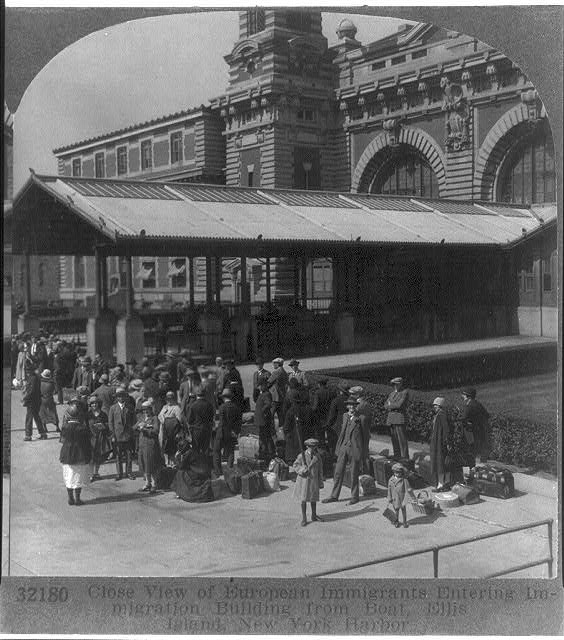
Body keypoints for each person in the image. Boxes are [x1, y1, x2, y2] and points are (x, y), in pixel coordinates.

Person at [322, 397, 364, 506]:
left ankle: (354, 497)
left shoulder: (360, 418)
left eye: (354, 405)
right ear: (347, 406)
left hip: (354, 449)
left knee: (354, 473)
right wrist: (339, 447)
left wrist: (362, 452)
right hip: (343, 447)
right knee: (338, 472)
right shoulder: (345, 416)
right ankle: (334, 495)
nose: (352, 407)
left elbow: (365, 436)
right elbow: (341, 431)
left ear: (356, 406)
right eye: (349, 405)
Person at [60, 396, 92, 506]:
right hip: (80, 454)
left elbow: (62, 439)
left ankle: (70, 498)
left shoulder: (65, 427)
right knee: (78, 476)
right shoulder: (82, 429)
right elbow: (87, 442)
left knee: (68, 476)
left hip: (67, 454)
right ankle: (77, 499)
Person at [293, 438, 325, 527]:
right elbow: (295, 465)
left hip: (313, 481)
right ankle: (304, 518)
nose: (312, 448)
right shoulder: (301, 455)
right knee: (303, 500)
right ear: (307, 446)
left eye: (314, 446)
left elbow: (320, 470)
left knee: (313, 498)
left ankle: (314, 515)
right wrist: (302, 469)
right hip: (304, 481)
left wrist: (320, 481)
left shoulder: (317, 456)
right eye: (310, 446)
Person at [108, 388, 137, 481]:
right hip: (117, 436)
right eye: (119, 396)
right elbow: (110, 422)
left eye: (123, 396)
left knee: (129, 455)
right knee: (118, 456)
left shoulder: (130, 407)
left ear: (125, 396)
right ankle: (119, 473)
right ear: (116, 398)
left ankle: (129, 472)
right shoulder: (113, 408)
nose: (121, 398)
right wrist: (112, 435)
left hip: (127, 435)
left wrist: (132, 430)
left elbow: (134, 420)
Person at [212, 388, 242, 477]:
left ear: (224, 397)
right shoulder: (236, 407)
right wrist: (236, 432)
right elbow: (239, 422)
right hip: (232, 433)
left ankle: (218, 471)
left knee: (216, 451)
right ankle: (229, 470)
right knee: (230, 451)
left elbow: (221, 422)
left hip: (222, 432)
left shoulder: (222, 408)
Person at [283, 386, 315, 465]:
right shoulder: (308, 409)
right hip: (306, 437)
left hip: (294, 441)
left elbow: (286, 427)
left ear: (291, 400)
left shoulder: (291, 411)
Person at [135, 400, 162, 493]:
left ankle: (154, 484)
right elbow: (134, 427)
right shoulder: (142, 418)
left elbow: (156, 431)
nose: (145, 412)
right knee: (143, 463)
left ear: (150, 409)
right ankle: (147, 483)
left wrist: (145, 429)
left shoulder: (154, 418)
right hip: (142, 444)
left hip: (151, 444)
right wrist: (138, 427)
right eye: (143, 410)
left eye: (147, 410)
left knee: (151, 463)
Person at [460, 387, 490, 464]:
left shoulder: (469, 406)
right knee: (480, 451)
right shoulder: (477, 404)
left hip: (473, 432)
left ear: (468, 396)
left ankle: (472, 468)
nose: (462, 396)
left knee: (472, 451)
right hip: (482, 430)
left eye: (464, 395)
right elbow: (487, 415)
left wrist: (470, 423)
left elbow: (463, 418)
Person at [87, 395, 111, 481]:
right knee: (91, 457)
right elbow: (85, 426)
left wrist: (103, 426)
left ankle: (96, 473)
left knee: (98, 456)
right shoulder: (88, 414)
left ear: (99, 404)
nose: (94, 405)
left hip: (100, 437)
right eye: (92, 403)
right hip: (91, 437)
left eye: (95, 403)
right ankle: (90, 474)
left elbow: (108, 424)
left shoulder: (103, 414)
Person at [385, 377, 410, 460]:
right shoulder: (391, 394)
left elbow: (400, 405)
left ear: (400, 384)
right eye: (394, 384)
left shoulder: (404, 392)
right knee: (394, 439)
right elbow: (385, 405)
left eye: (396, 384)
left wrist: (390, 405)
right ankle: (397, 455)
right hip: (391, 419)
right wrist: (392, 405)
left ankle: (404, 457)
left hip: (399, 419)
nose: (395, 386)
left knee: (402, 440)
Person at [321, 383, 349, 457]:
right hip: (349, 422)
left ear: (340, 391)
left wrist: (327, 425)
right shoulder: (350, 399)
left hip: (338, 423)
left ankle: (335, 456)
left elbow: (332, 416)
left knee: (336, 442)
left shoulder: (336, 400)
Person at [430, 396, 451, 491]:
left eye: (436, 406)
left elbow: (446, 429)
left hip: (439, 442)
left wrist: (446, 442)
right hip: (438, 441)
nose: (434, 407)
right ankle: (444, 483)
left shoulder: (441, 414)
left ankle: (441, 485)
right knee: (442, 463)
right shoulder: (440, 414)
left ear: (440, 406)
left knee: (440, 463)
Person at [349, 386, 372, 474]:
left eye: (352, 394)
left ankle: (365, 472)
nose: (351, 395)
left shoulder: (361, 404)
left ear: (358, 394)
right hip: (361, 432)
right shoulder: (362, 403)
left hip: (362, 432)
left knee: (363, 452)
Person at [22, 361, 47, 441]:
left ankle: (28, 435)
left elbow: (31, 391)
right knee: (36, 417)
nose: (27, 371)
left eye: (28, 370)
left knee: (29, 418)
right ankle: (43, 434)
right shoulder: (35, 377)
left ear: (31, 370)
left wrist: (25, 398)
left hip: (32, 401)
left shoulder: (33, 378)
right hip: (36, 400)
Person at [186, 388, 215, 455]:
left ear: (197, 395)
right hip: (206, 428)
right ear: (204, 395)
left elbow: (189, 420)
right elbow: (211, 418)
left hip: (196, 429)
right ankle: (205, 464)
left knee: (196, 449)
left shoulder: (193, 405)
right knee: (205, 449)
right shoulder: (209, 405)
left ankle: (197, 464)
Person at [158, 390, 184, 466]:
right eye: (168, 399)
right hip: (163, 429)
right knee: (163, 445)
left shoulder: (176, 408)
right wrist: (163, 419)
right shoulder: (164, 407)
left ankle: (174, 463)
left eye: (171, 399)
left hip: (172, 430)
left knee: (172, 446)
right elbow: (160, 416)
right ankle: (166, 462)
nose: (169, 401)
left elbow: (179, 420)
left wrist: (168, 420)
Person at [387, 462, 416, 528]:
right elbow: (389, 490)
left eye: (399, 472)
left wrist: (413, 497)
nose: (398, 474)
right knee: (396, 511)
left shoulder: (404, 480)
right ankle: (396, 522)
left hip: (403, 498)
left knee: (403, 511)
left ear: (402, 472)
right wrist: (389, 498)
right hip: (395, 498)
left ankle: (404, 522)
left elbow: (408, 489)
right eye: (396, 472)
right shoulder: (390, 480)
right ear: (393, 472)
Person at [254, 379, 275, 462]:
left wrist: (262, 411)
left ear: (264, 386)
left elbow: (268, 404)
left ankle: (268, 453)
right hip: (262, 419)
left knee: (265, 436)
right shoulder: (263, 394)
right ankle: (265, 452)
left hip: (264, 419)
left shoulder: (266, 394)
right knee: (264, 436)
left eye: (261, 386)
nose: (259, 387)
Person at [268, 357, 288, 427]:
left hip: (275, 397)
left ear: (278, 364)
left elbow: (269, 382)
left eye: (274, 363)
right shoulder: (284, 372)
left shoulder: (276, 372)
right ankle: (281, 431)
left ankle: (272, 431)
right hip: (282, 396)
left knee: (270, 415)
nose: (273, 365)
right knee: (281, 415)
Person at [39, 368, 60, 433]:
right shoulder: (52, 383)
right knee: (53, 413)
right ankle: (57, 427)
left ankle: (45, 428)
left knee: (43, 414)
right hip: (50, 399)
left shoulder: (40, 382)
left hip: (42, 400)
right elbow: (55, 391)